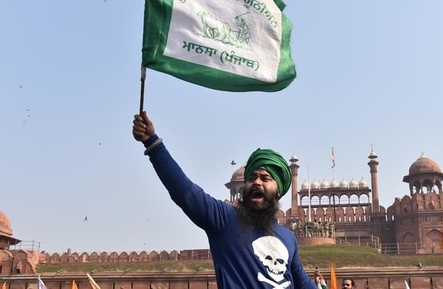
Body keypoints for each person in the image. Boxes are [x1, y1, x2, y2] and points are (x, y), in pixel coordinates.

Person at [132, 111, 319, 288]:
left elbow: (302, 283)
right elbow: (184, 191)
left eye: (265, 178)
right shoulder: (225, 219)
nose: (257, 182)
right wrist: (153, 144)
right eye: (252, 178)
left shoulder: (288, 238)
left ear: (279, 190)